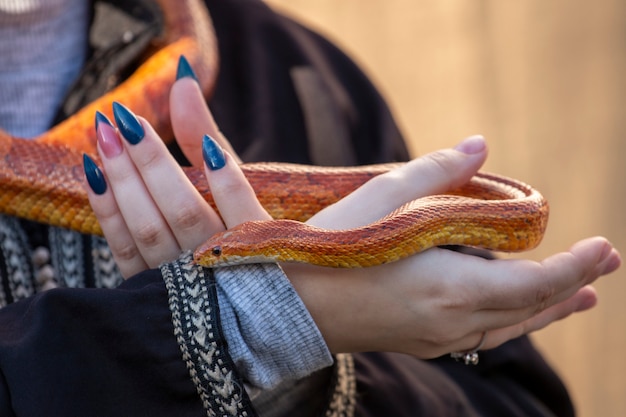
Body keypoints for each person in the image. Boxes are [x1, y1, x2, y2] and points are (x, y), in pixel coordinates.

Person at [0, 1, 620, 416]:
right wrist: (254, 330)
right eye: (223, 256)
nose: (219, 261)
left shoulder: (301, 74)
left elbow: (517, 402)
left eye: (227, 254)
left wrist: (309, 384)